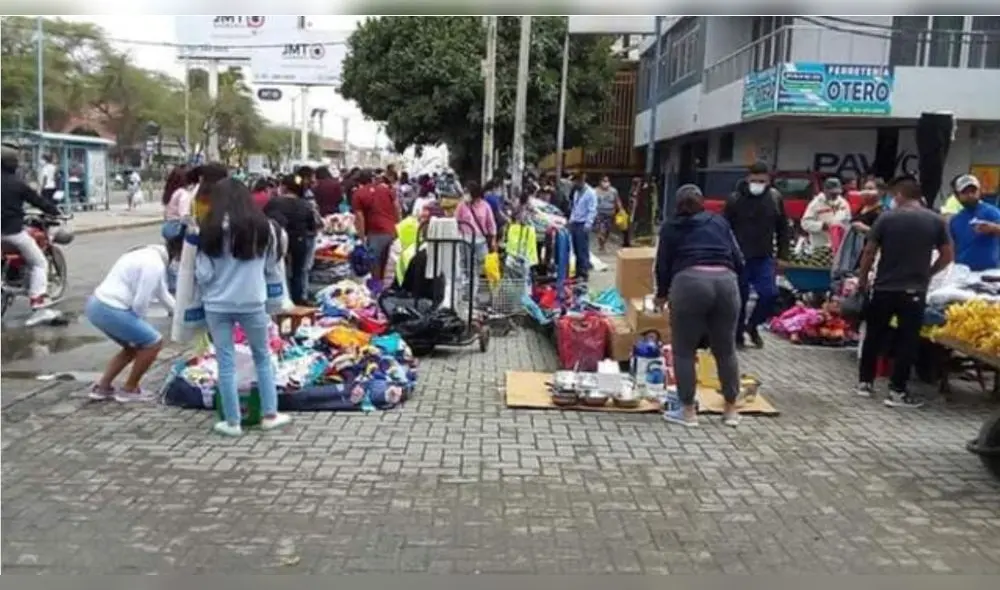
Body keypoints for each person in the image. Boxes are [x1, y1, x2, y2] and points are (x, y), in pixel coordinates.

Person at [195, 178, 291, 436]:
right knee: (262, 356)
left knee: (225, 362)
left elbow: (203, 274)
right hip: (253, 302)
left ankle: (232, 422)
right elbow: (272, 270)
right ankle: (270, 414)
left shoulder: (209, 230)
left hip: (216, 304)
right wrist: (274, 303)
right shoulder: (265, 229)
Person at [856, 176, 954, 408]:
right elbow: (948, 256)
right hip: (914, 290)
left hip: (883, 288)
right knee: (907, 341)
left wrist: (862, 281)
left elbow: (869, 252)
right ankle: (897, 391)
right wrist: (928, 274)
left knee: (874, 335)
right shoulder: (936, 221)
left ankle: (864, 384)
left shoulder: (886, 218)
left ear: (899, 195)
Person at [654, 184, 744, 428]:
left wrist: (661, 295)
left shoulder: (671, 227)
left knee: (684, 350)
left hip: (689, 282)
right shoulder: (718, 222)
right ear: (702, 203)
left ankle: (688, 412)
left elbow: (663, 265)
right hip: (726, 282)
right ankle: (731, 411)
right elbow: (738, 258)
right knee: (725, 350)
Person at [85, 237, 180, 402]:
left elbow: (162, 292)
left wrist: (182, 316)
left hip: (96, 305)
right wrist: (140, 327)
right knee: (153, 343)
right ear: (177, 254)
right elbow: (141, 302)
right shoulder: (154, 265)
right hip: (110, 308)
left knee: (131, 349)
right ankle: (130, 388)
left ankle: (102, 387)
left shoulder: (146, 254)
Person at [723, 161, 790, 349]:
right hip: (739, 258)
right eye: (755, 180)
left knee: (770, 295)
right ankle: (737, 335)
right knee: (740, 299)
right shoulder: (735, 199)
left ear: (768, 180)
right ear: (747, 178)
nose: (758, 184)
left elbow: (783, 228)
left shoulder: (774, 198)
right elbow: (724, 228)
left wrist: (784, 254)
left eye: (762, 180)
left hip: (763, 257)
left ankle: (752, 325)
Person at [1, 146, 64, 324]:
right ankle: (38, 304)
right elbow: (39, 202)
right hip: (11, 233)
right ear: (12, 164)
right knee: (39, 263)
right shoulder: (17, 184)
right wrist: (56, 212)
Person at [264, 175, 319, 305]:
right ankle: (298, 299)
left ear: (283, 187)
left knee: (278, 270)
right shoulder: (305, 205)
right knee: (298, 272)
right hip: (299, 241)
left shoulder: (274, 203)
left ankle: (281, 298)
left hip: (278, 242)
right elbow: (313, 226)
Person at [352, 169, 400, 280]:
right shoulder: (386, 190)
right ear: (372, 179)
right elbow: (397, 208)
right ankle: (384, 288)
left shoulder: (358, 194)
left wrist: (362, 237)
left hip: (375, 233)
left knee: (374, 265)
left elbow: (360, 218)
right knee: (388, 264)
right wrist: (398, 225)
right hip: (391, 231)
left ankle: (376, 290)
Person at [949, 174, 1000, 271]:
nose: (970, 195)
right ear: (957, 195)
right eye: (964, 192)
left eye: (973, 191)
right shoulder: (956, 219)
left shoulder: (992, 212)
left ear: (980, 192)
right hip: (962, 272)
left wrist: (993, 228)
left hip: (989, 272)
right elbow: (952, 247)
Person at [455, 181, 498, 288]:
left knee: (480, 267)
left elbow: (491, 224)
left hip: (481, 241)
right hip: (465, 241)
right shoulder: (462, 206)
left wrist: (493, 240)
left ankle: (475, 286)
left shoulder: (485, 206)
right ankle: (471, 291)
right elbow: (456, 221)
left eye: (467, 192)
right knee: (468, 267)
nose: (465, 195)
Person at [801, 177, 851, 249]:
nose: (835, 196)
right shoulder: (815, 204)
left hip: (839, 246)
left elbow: (848, 220)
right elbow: (805, 223)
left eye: (837, 193)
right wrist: (821, 226)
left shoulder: (843, 203)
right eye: (832, 193)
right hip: (820, 246)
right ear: (825, 190)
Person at [567, 172, 597, 282]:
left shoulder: (590, 193)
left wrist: (588, 224)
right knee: (575, 249)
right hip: (575, 223)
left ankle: (584, 274)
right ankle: (578, 272)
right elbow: (574, 208)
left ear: (581, 181)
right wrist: (570, 221)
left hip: (583, 224)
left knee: (582, 249)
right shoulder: (576, 192)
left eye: (575, 181)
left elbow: (592, 210)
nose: (574, 184)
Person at [594, 175, 622, 252]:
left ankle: (603, 243)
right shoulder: (595, 191)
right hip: (599, 213)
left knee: (607, 230)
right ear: (600, 182)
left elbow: (617, 200)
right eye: (604, 181)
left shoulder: (613, 191)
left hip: (610, 213)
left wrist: (621, 209)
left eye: (607, 181)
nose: (606, 183)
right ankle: (601, 242)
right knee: (601, 229)